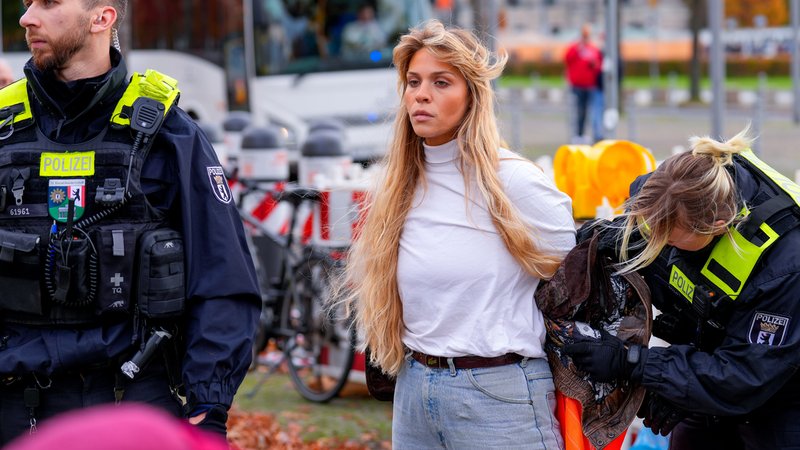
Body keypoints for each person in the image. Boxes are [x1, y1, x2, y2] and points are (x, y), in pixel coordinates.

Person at [0, 0, 260, 444]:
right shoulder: (5, 129)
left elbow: (222, 276)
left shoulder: (169, 132)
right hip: (16, 403)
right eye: (26, 5)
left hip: (136, 396)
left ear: (102, 18)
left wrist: (208, 403)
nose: (26, 18)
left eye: (47, 3)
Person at [340, 20, 575, 449]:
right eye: (413, 82)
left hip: (498, 395)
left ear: (472, 95)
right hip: (414, 388)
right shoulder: (399, 185)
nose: (421, 94)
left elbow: (576, 276)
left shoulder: (514, 181)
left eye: (440, 82)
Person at [563, 128, 800, 449]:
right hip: (714, 362)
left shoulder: (785, 265)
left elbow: (745, 376)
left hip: (777, 393)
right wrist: (675, 389)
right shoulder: (677, 188)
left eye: (668, 238)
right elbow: (694, 297)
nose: (655, 242)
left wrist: (632, 363)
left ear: (717, 228)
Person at [564, 23, 601, 143]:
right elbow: (567, 59)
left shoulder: (593, 48)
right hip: (577, 85)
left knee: (588, 111)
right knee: (579, 110)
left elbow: (598, 65)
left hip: (589, 85)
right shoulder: (575, 48)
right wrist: (578, 49)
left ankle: (584, 134)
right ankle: (578, 133)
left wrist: (594, 65)